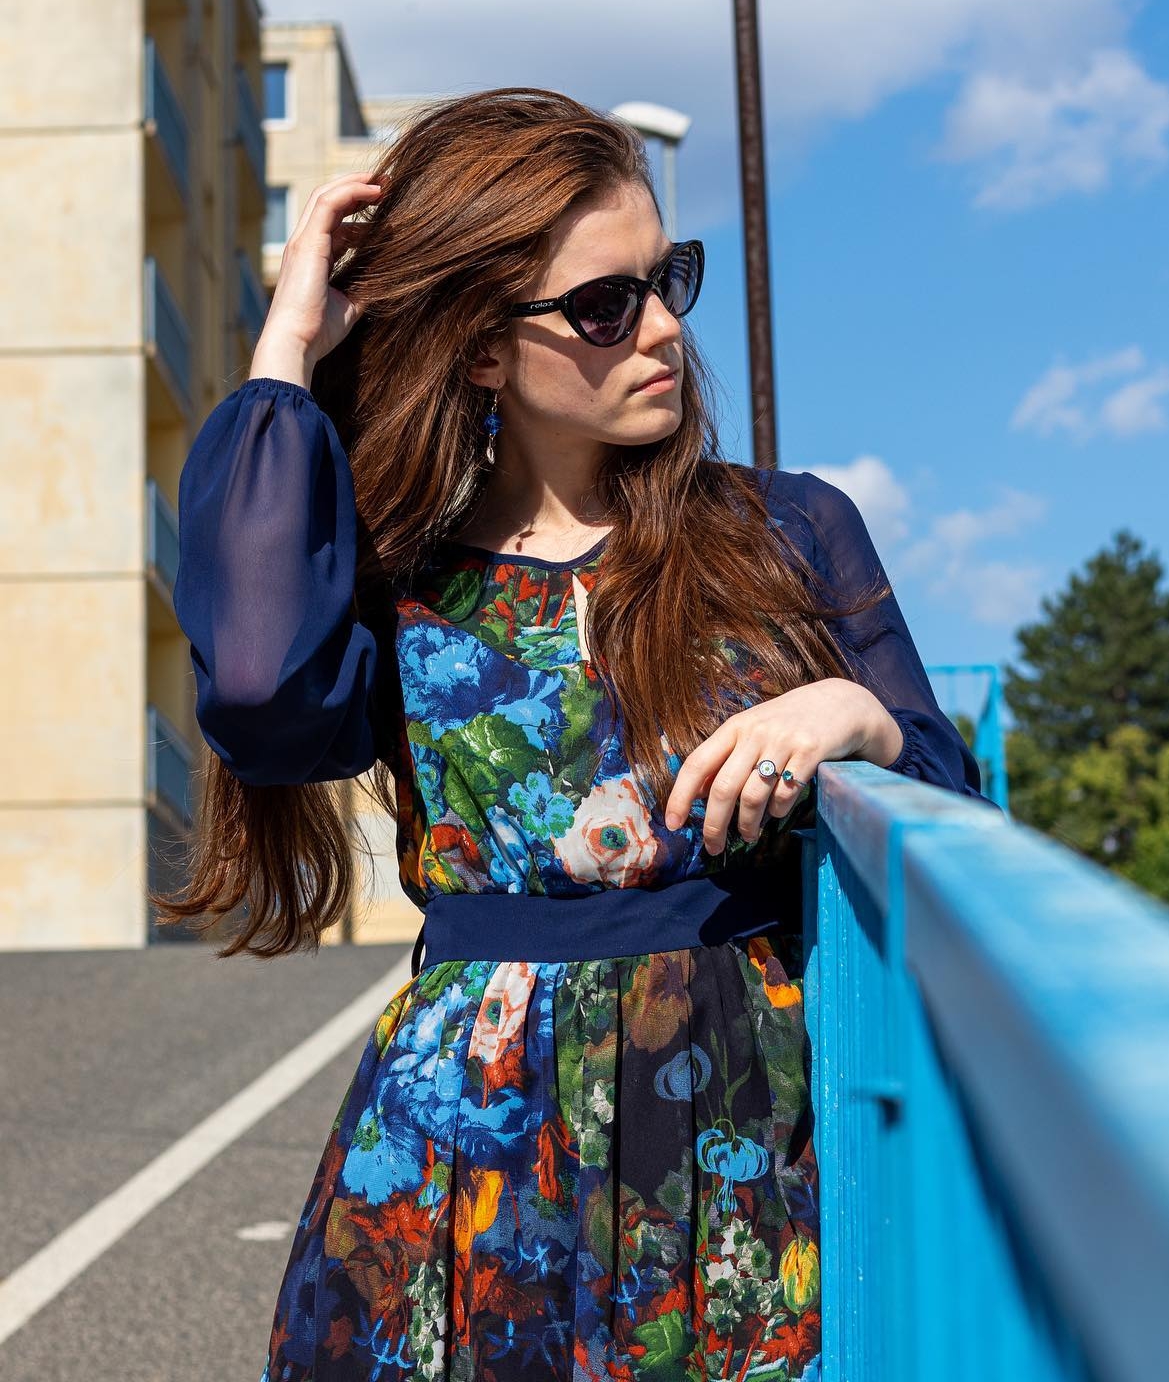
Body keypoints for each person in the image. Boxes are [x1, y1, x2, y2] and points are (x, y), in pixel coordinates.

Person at [160, 86, 997, 1382]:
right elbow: (264, 696)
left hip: (736, 1136)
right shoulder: (402, 583)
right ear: (482, 352)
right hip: (468, 1162)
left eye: (669, 280)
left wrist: (861, 716)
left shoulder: (785, 531)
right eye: (606, 305)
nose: (663, 328)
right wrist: (290, 345)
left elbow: (957, 812)